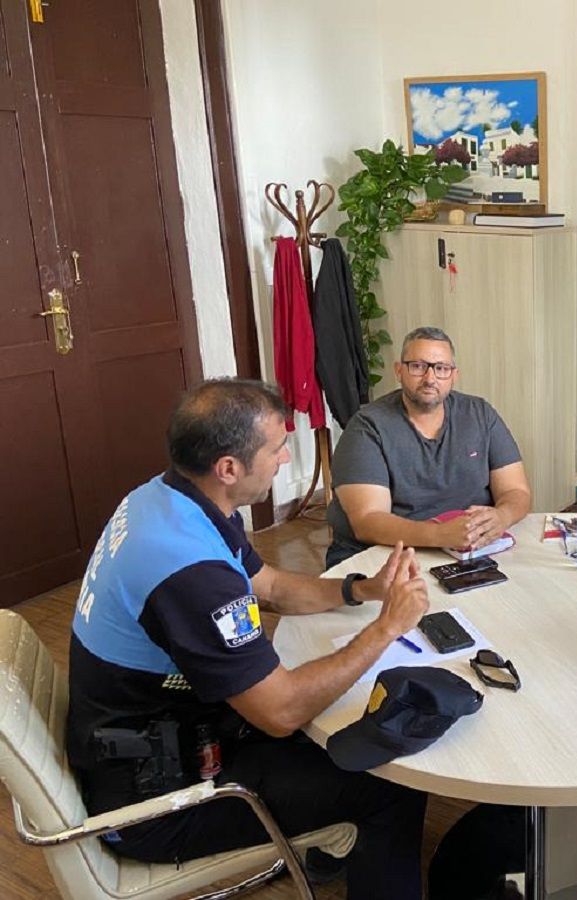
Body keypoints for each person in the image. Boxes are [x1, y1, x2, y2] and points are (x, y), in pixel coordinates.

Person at [67, 379, 431, 900]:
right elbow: (280, 710)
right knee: (390, 784)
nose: (285, 459)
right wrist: (386, 628)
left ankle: (322, 847)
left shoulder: (169, 499)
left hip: (169, 734)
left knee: (350, 722)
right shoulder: (191, 572)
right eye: (277, 448)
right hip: (157, 801)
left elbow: (271, 587)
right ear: (228, 468)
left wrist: (361, 590)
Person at [327, 326, 532, 568]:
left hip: (468, 551)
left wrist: (502, 517)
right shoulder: (367, 427)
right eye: (418, 366)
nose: (430, 378)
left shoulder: (480, 414)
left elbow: (516, 490)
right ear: (399, 371)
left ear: (454, 375)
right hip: (383, 554)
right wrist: (440, 535)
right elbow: (368, 521)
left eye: (441, 368)